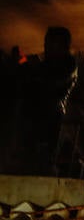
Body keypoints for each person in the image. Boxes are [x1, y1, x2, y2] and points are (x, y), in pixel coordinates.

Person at [14, 25, 79, 176]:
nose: (46, 46)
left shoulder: (68, 65)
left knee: (43, 154)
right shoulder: (47, 64)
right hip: (34, 115)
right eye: (46, 42)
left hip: (51, 116)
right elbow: (32, 81)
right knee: (29, 153)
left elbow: (48, 83)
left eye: (50, 42)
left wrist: (25, 67)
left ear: (61, 45)